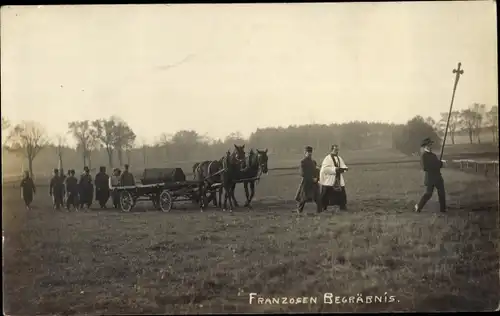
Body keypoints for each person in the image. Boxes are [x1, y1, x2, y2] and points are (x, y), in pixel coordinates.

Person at [414, 137, 447, 213]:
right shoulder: (423, 156)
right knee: (428, 194)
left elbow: (437, 164)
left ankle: (443, 209)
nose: (430, 146)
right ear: (425, 146)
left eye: (431, 145)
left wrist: (441, 163)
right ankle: (418, 207)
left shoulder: (433, 155)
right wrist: (439, 163)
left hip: (438, 177)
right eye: (429, 145)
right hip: (430, 178)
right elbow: (425, 167)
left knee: (441, 193)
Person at [319, 144, 349, 212]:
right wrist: (335, 169)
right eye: (335, 150)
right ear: (332, 150)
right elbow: (324, 169)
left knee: (342, 194)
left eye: (337, 150)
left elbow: (343, 165)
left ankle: (342, 206)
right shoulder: (327, 158)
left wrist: (344, 169)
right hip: (329, 180)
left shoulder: (339, 158)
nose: (336, 151)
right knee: (326, 195)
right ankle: (323, 207)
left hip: (338, 179)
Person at [294, 146, 321, 214]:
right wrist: (311, 178)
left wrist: (317, 178)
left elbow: (316, 171)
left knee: (317, 197)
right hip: (306, 182)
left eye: (310, 152)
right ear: (305, 153)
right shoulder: (303, 162)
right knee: (303, 198)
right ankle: (299, 211)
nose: (309, 154)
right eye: (308, 152)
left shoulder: (313, 162)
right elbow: (302, 173)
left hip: (314, 183)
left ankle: (320, 210)